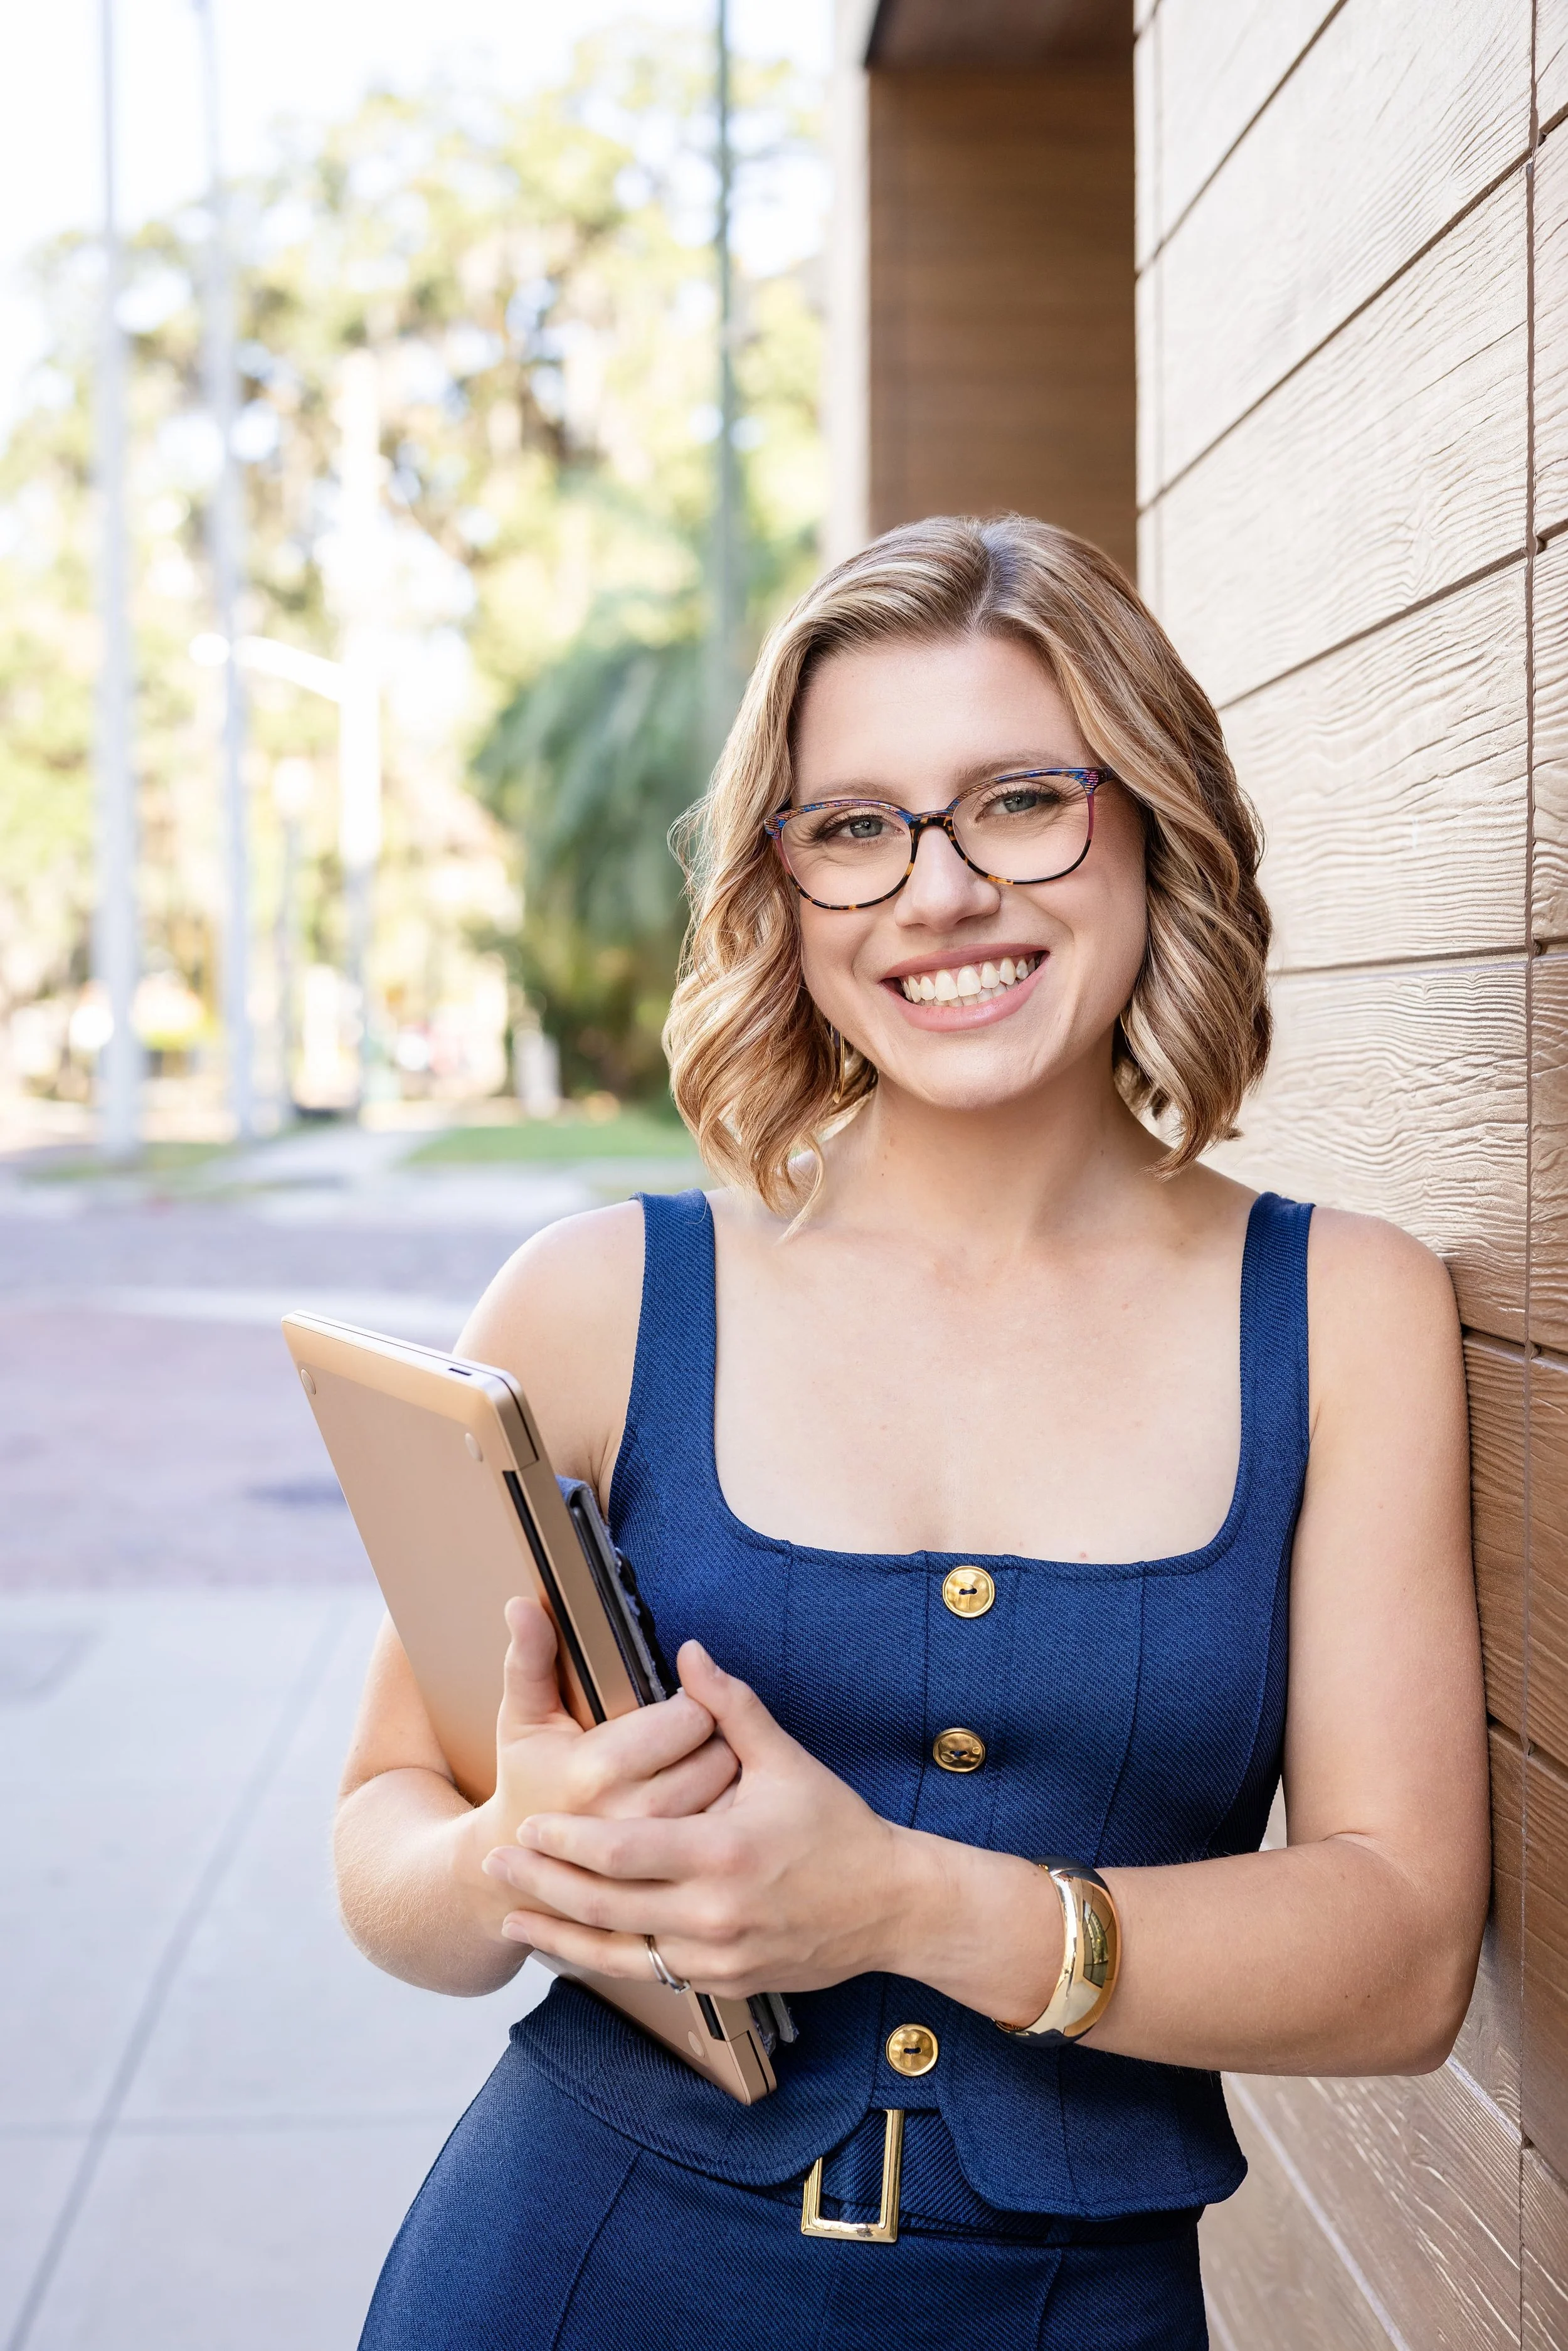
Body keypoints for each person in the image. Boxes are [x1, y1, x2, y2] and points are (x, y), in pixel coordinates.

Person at [337, 516, 1490, 2350]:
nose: (935, 892)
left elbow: (1404, 1952)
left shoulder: (1342, 1312)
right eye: (853, 827)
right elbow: (386, 1837)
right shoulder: (593, 1301)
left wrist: (902, 1897)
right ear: (781, 888)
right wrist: (503, 1863)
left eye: (1020, 798)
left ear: (1152, 816)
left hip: (1068, 2313)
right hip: (563, 2276)